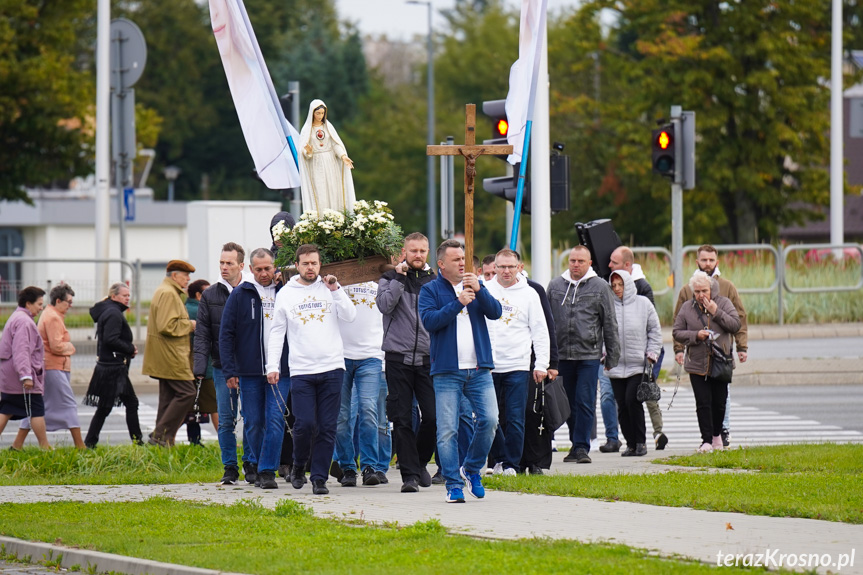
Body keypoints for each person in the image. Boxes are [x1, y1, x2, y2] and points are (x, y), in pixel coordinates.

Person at [267, 244, 356, 495]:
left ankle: (319, 478)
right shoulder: (286, 293)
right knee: (305, 424)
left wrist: (336, 290)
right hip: (302, 369)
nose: (310, 268)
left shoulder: (331, 288)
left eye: (314, 263)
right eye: (305, 263)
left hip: (332, 367)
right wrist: (272, 365)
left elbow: (350, 316)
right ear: (297, 265)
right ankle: (298, 465)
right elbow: (277, 331)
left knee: (328, 427)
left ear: (320, 264)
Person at [419, 239, 502, 503]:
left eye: (464, 259)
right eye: (456, 260)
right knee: (447, 430)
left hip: (479, 369)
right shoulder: (430, 290)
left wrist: (481, 291)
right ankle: (453, 485)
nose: (462, 264)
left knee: (490, 420)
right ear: (441, 264)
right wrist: (458, 303)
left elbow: (496, 313)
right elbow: (430, 322)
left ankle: (471, 469)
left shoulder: (477, 285)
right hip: (447, 371)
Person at [220, 248, 290, 489]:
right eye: (258, 269)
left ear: (275, 267)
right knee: (253, 421)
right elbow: (226, 334)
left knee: (275, 419)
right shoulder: (241, 294)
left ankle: (267, 470)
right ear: (250, 269)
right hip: (250, 371)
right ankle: (257, 462)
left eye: (268, 268)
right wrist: (230, 370)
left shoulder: (286, 291)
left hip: (281, 370)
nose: (263, 273)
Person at [547, 245, 620, 464]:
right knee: (568, 403)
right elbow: (547, 323)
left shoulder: (600, 287)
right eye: (572, 261)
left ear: (589, 263)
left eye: (580, 261)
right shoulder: (555, 285)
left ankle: (581, 446)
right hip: (562, 355)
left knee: (585, 401)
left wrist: (612, 356)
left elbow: (610, 323)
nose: (576, 265)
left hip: (588, 354)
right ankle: (574, 443)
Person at [376, 232, 437, 493]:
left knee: (433, 417)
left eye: (423, 251)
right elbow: (385, 306)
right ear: (404, 252)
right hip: (397, 357)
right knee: (401, 419)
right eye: (413, 251)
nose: (418, 255)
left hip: (427, 358)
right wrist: (399, 278)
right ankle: (409, 476)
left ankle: (420, 462)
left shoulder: (435, 281)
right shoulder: (390, 278)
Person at [673, 244, 748, 446]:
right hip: (698, 356)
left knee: (722, 398)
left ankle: (722, 432)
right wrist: (679, 349)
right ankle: (709, 439)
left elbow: (738, 319)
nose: (707, 263)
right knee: (703, 401)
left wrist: (742, 346)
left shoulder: (727, 287)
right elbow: (678, 324)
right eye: (703, 260)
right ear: (697, 261)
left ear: (717, 261)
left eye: (711, 260)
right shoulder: (686, 291)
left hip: (721, 353)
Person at [194, 242, 255, 485]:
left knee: (251, 417)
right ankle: (230, 467)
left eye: (229, 263)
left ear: (241, 265)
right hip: (221, 365)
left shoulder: (253, 290)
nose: (224, 267)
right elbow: (202, 334)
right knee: (226, 419)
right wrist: (200, 367)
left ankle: (251, 462)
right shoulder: (211, 294)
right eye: (221, 262)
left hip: (250, 366)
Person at [484, 249, 549, 475]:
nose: (506, 271)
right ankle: (498, 460)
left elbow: (540, 330)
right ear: (495, 268)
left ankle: (512, 464)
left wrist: (541, 364)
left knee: (515, 419)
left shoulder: (530, 294)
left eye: (511, 266)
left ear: (519, 267)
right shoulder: (486, 290)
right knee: (490, 418)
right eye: (501, 266)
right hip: (489, 366)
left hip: (518, 366)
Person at [608, 245, 668, 450]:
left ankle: (641, 442)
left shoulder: (644, 304)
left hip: (638, 364)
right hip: (616, 365)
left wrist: (652, 354)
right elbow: (600, 332)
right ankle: (630, 444)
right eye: (613, 285)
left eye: (620, 285)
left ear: (628, 284)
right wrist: (603, 355)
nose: (617, 289)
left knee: (632, 401)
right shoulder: (608, 306)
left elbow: (655, 331)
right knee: (622, 407)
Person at [13, 284, 84, 449]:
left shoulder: (50, 314)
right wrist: (71, 347)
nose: (70, 305)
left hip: (50, 367)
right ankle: (80, 446)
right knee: (68, 404)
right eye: (68, 302)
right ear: (58, 301)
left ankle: (17, 444)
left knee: (37, 406)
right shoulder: (53, 317)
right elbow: (56, 346)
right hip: (53, 367)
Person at [333, 279, 389, 487]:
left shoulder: (380, 283)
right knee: (342, 415)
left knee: (368, 410)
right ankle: (347, 466)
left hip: (371, 356)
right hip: (341, 355)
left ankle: (369, 466)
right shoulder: (339, 279)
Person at [141, 260, 198, 446]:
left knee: (167, 399)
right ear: (175, 276)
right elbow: (167, 326)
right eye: (185, 275)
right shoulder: (168, 293)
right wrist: (191, 325)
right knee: (187, 393)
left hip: (166, 355)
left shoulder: (166, 291)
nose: (188, 279)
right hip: (171, 355)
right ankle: (159, 436)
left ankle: (164, 442)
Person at [83, 283, 142, 448]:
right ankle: (138, 442)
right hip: (113, 368)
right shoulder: (113, 313)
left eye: (128, 295)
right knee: (131, 403)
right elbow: (111, 339)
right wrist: (130, 348)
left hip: (109, 366)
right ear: (114, 296)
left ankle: (90, 442)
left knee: (104, 407)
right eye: (124, 295)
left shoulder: (109, 310)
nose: (127, 298)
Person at [0, 287, 51, 449]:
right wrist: (26, 376)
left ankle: (30, 446)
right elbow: (21, 350)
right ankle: (45, 447)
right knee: (36, 410)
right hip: (20, 377)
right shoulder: (24, 321)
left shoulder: (18, 317)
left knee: (6, 409)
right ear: (28, 303)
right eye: (39, 304)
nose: (41, 307)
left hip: (10, 375)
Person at [299, 100, 356, 214]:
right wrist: (308, 152)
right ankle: (323, 220)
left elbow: (335, 144)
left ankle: (336, 217)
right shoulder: (307, 130)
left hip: (330, 162)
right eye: (318, 113)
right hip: (317, 164)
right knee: (321, 192)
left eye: (322, 113)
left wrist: (343, 156)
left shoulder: (328, 127)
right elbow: (303, 152)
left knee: (334, 190)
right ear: (312, 113)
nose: (320, 116)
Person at [183, 279, 218, 445]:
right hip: (204, 364)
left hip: (189, 364)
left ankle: (194, 440)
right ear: (199, 295)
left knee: (192, 405)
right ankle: (227, 440)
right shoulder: (199, 310)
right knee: (215, 405)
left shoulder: (185, 307)